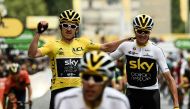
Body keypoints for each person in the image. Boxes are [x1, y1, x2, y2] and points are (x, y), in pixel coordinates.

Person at [28, 9, 132, 109]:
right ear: (60, 27)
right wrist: (38, 33)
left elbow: (106, 47)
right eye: (65, 25)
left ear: (76, 29)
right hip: (58, 90)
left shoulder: (83, 43)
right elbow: (32, 54)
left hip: (79, 90)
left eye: (72, 26)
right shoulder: (52, 45)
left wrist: (126, 40)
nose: (69, 29)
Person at [110, 14, 179, 109]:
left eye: (146, 32)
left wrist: (176, 105)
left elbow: (169, 78)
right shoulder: (126, 46)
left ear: (150, 32)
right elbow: (107, 59)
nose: (142, 34)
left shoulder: (156, 50)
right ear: (135, 30)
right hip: (132, 92)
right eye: (139, 31)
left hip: (151, 93)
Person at [54, 50, 130, 109]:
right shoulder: (64, 100)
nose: (90, 83)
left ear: (107, 82)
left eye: (98, 78)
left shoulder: (119, 101)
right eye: (86, 77)